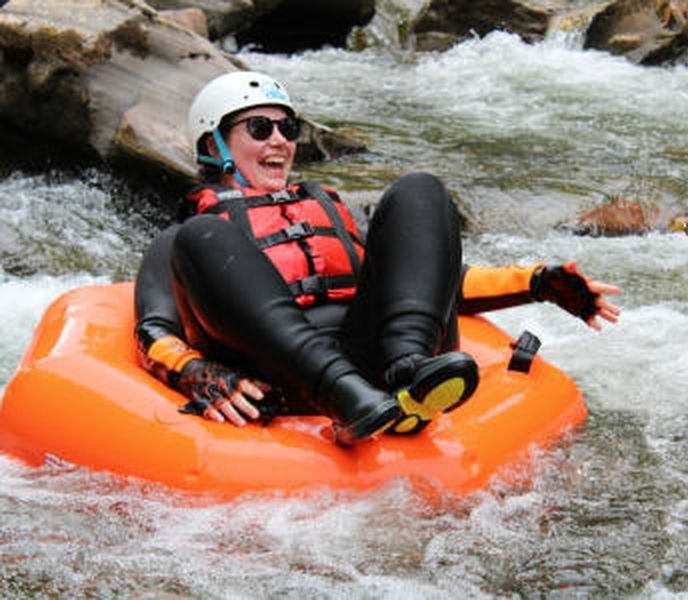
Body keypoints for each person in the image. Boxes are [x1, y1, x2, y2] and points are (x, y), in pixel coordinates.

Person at [134, 71, 620, 446]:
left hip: (377, 367)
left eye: (288, 127)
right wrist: (197, 372)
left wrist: (539, 283)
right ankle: (348, 397)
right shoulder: (186, 237)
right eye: (260, 128)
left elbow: (428, 282)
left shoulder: (325, 208)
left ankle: (408, 375)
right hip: (282, 380)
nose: (280, 141)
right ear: (213, 145)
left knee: (420, 190)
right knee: (202, 234)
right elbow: (153, 331)